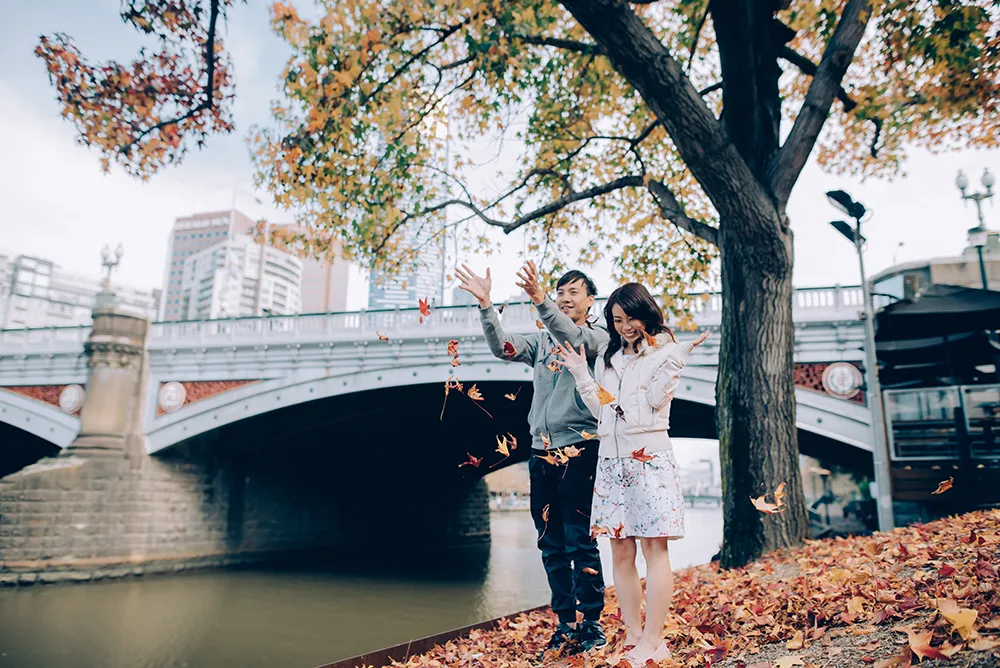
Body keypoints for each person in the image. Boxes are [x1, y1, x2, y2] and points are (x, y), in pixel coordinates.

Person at [456, 260, 609, 658]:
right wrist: (486, 306)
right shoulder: (541, 343)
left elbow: (570, 334)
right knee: (550, 544)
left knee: (580, 541)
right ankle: (565, 623)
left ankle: (592, 623)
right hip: (541, 454)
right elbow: (503, 347)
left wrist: (542, 301)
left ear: (590, 301)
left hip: (580, 451)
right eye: (560, 293)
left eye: (573, 292)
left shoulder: (597, 338)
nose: (564, 298)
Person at [555, 282, 709, 666]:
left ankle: (655, 640)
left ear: (646, 315)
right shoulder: (608, 358)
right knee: (620, 551)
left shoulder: (664, 352)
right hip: (611, 461)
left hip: (649, 459)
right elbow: (601, 411)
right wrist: (581, 373)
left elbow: (656, 401)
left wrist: (674, 363)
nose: (625, 327)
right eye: (617, 320)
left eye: (631, 318)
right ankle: (634, 637)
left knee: (655, 549)